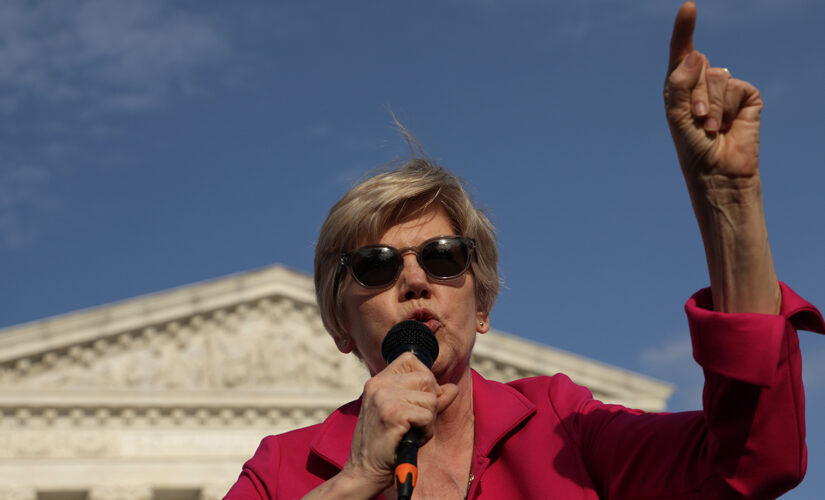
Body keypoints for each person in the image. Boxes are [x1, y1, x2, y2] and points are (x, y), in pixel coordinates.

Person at [225, 2, 824, 499]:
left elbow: (752, 460)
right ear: (340, 325)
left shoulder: (563, 430)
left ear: (481, 306)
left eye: (442, 257)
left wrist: (730, 202)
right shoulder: (284, 470)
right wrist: (355, 481)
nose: (414, 281)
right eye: (377, 267)